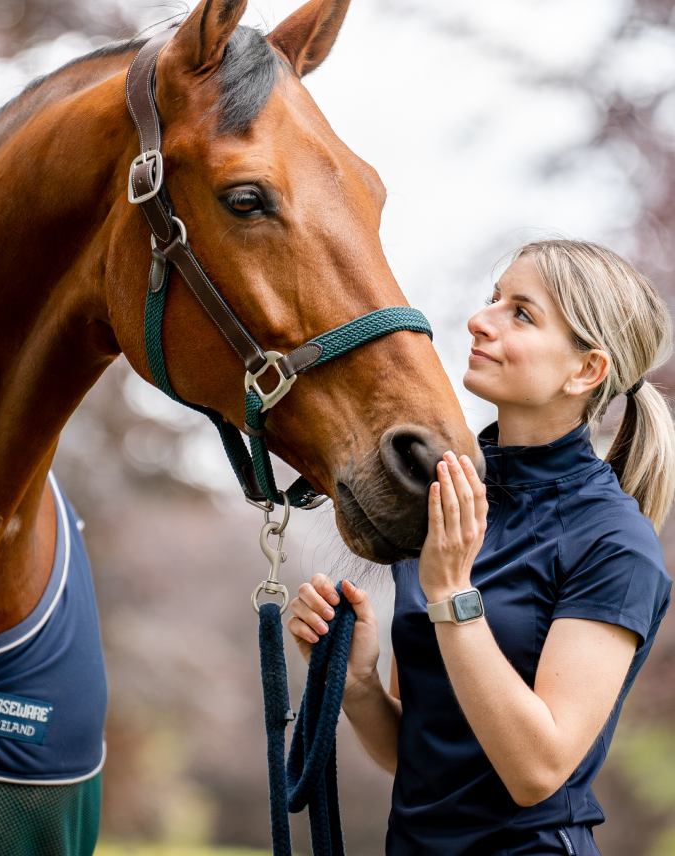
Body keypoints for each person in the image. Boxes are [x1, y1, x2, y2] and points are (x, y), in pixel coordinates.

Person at [288, 239, 675, 855]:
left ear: (586, 371)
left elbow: (536, 771)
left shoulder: (614, 543)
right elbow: (419, 754)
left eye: (521, 313)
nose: (479, 320)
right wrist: (357, 684)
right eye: (493, 299)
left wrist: (450, 593)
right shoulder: (445, 497)